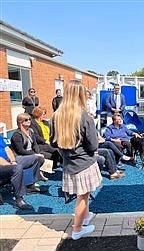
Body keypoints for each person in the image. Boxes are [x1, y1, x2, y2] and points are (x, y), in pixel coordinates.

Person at [50, 80, 102, 240]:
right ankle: (77, 229)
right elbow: (93, 145)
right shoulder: (83, 115)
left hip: (69, 164)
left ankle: (86, 218)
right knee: (83, 197)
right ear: (79, 94)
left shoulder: (56, 116)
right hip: (84, 163)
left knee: (83, 195)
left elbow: (52, 142)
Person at [0, 135, 41, 209]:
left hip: (9, 161)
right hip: (1, 165)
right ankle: (18, 199)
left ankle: (29, 186)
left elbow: (7, 149)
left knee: (35, 158)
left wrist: (13, 161)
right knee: (17, 168)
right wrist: (10, 165)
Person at [10, 113, 47, 184]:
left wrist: (38, 153)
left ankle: (36, 175)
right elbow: (20, 150)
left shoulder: (30, 131)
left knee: (46, 155)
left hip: (30, 152)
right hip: (19, 155)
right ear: (20, 122)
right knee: (39, 158)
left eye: (30, 119)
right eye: (26, 120)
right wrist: (35, 154)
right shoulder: (17, 134)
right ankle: (31, 181)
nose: (29, 121)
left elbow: (35, 144)